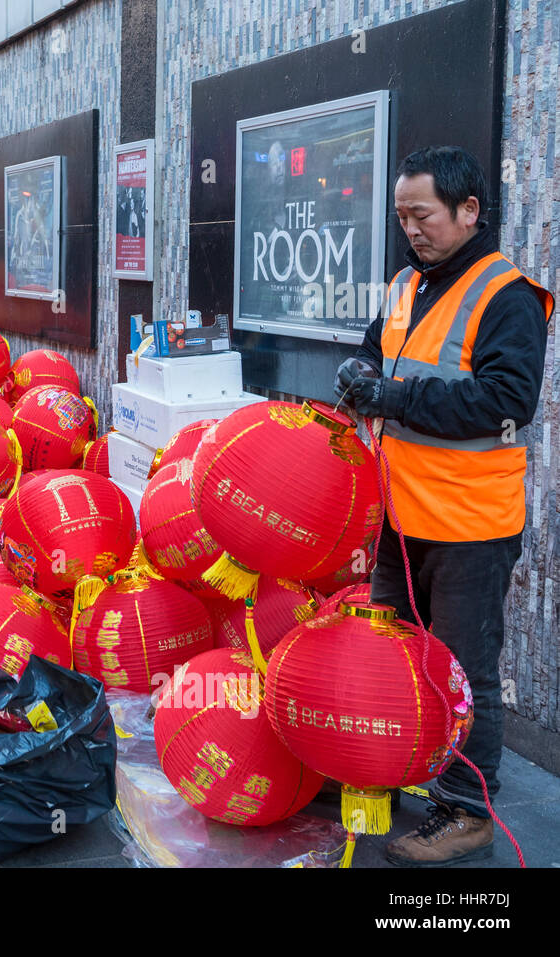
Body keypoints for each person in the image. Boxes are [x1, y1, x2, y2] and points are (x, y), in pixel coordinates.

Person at [336, 146, 553, 867]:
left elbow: (505, 399)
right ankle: (396, 764)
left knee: (464, 672)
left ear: (469, 212)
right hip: (402, 517)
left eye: (421, 215)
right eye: (402, 218)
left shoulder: (509, 296)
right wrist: (362, 371)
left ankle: (467, 807)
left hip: (469, 524)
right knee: (389, 658)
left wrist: (392, 396)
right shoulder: (407, 282)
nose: (411, 231)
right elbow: (379, 351)